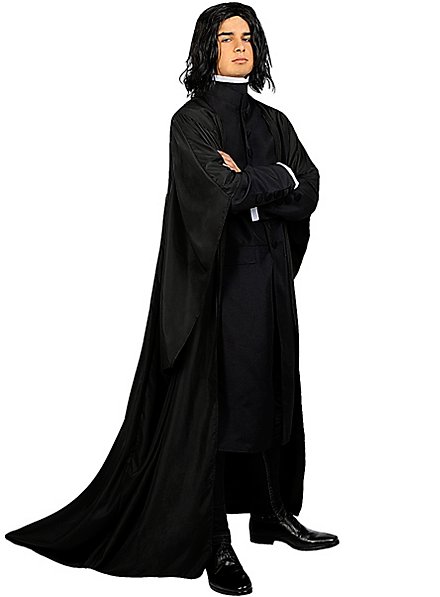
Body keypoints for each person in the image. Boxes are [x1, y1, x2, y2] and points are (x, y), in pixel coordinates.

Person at [5, 3, 338, 595]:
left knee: (272, 390)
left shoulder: (275, 120)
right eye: (226, 37)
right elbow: (224, 192)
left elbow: (309, 188)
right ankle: (215, 540)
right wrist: (274, 180)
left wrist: (264, 183)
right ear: (207, 47)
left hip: (270, 279)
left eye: (247, 37)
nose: (240, 46)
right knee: (222, 402)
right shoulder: (191, 121)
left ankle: (272, 513)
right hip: (218, 283)